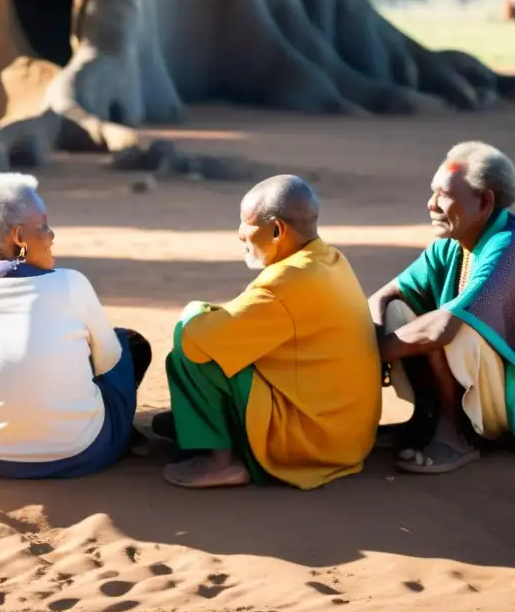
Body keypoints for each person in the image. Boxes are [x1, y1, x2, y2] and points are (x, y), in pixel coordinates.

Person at [369, 141, 515, 474]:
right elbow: (383, 297)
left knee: (457, 328)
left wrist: (367, 355)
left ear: (485, 202)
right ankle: (425, 420)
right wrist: (370, 338)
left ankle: (457, 434)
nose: (431, 204)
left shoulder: (513, 245)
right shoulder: (450, 246)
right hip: (503, 377)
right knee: (398, 312)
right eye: (432, 192)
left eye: (444, 195)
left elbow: (444, 328)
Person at [155, 175, 382, 490]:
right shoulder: (329, 259)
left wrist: (195, 312)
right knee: (220, 337)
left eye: (245, 223)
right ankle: (200, 423)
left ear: (277, 230)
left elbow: (197, 340)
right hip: (346, 438)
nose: (239, 235)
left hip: (309, 444)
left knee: (190, 342)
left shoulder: (286, 282)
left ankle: (220, 463)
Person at [0, 173, 153, 479]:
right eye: (44, 226)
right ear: (18, 238)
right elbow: (109, 361)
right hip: (82, 454)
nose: (52, 235)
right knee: (127, 343)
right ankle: (118, 430)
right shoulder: (71, 283)